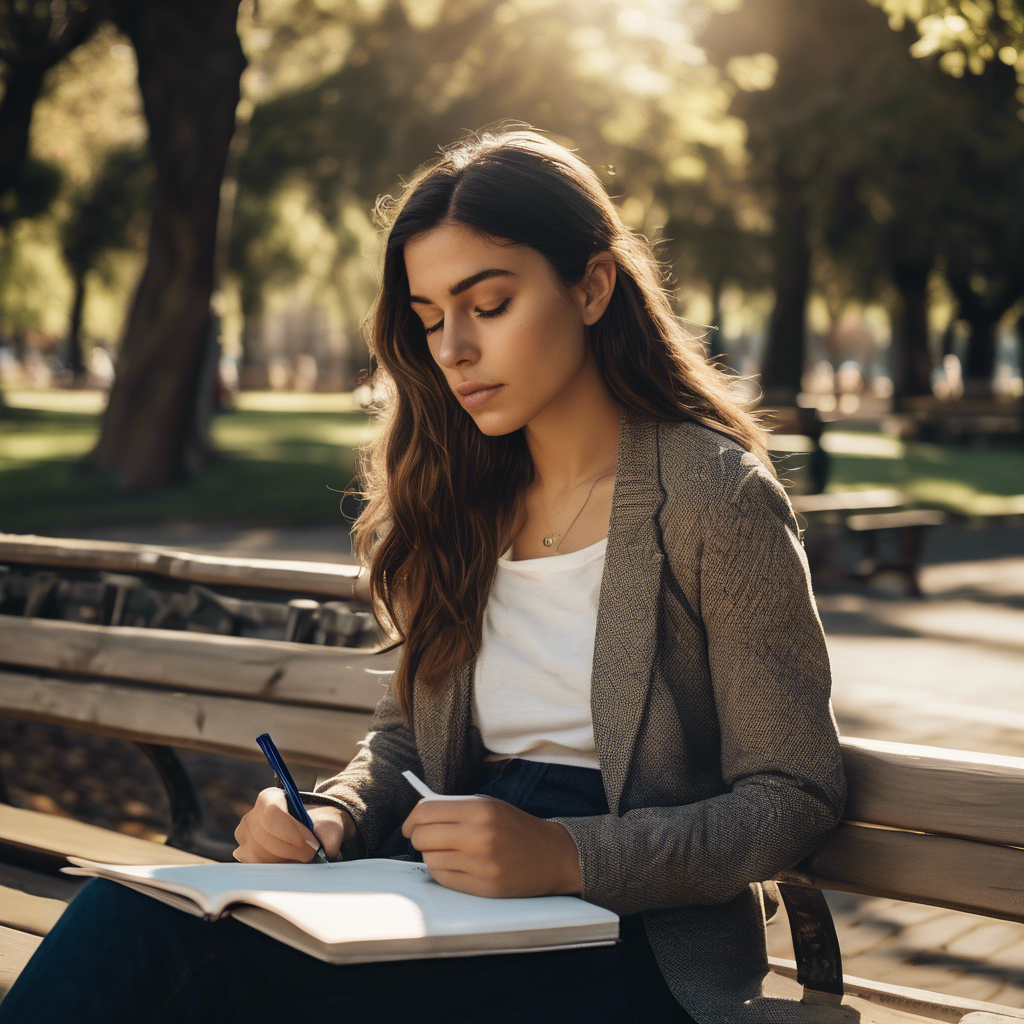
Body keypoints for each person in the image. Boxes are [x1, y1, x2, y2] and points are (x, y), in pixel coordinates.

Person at [0, 128, 846, 1024]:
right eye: (431, 317)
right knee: (129, 915)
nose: (452, 349)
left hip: (629, 939)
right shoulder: (458, 494)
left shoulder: (714, 494)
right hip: (446, 893)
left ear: (592, 286)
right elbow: (406, 742)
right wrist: (329, 815)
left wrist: (566, 856)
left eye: (489, 303)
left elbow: (794, 793)